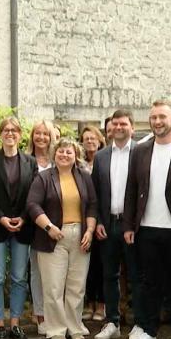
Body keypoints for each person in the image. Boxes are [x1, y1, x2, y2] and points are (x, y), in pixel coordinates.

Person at [123, 100, 171, 339]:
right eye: (153, 117)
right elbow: (131, 189)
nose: (157, 122)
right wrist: (129, 225)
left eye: (162, 117)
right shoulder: (140, 150)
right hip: (146, 227)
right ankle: (149, 332)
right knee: (149, 283)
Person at [27, 138, 97, 339]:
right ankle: (56, 329)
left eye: (69, 152)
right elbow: (32, 205)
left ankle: (74, 326)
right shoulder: (43, 177)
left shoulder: (84, 177)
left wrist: (90, 231)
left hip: (80, 235)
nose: (64, 155)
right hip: (53, 237)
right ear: (54, 154)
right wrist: (49, 227)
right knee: (53, 286)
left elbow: (93, 205)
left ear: (76, 156)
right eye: (61, 151)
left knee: (77, 286)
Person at [0, 116, 35, 339]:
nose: (10, 133)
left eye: (14, 130)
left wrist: (23, 217)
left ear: (20, 135)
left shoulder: (30, 162)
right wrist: (1, 217)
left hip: (23, 227)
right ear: (0, 134)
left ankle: (15, 323)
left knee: (20, 277)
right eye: (6, 130)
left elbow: (34, 195)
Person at [92, 110, 143, 339]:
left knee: (136, 275)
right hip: (108, 223)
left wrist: (135, 223)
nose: (119, 127)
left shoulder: (141, 152)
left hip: (132, 224)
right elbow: (95, 192)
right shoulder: (101, 156)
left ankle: (139, 323)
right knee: (109, 275)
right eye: (115, 124)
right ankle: (112, 321)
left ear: (132, 127)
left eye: (123, 124)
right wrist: (98, 221)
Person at [28, 120, 59, 331]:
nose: (41, 137)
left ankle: (55, 314)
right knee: (37, 271)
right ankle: (40, 315)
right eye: (37, 133)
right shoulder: (25, 160)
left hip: (57, 222)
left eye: (45, 134)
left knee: (57, 272)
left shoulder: (58, 160)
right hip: (34, 222)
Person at [80, 125, 106, 321]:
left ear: (100, 140)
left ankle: (101, 304)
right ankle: (89, 303)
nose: (89, 141)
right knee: (87, 265)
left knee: (102, 264)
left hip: (102, 218)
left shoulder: (105, 160)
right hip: (83, 219)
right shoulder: (79, 164)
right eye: (86, 138)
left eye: (93, 138)